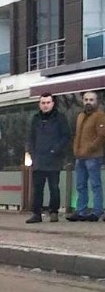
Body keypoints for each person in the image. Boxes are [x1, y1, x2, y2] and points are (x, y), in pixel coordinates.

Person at [27, 93, 71, 224]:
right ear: (39, 104)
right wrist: (31, 153)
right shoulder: (35, 118)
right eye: (43, 103)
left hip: (54, 159)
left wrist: (55, 149)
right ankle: (36, 213)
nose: (45, 105)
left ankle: (54, 212)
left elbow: (66, 136)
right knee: (38, 188)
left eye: (47, 102)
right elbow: (31, 137)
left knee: (54, 187)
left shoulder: (60, 118)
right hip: (39, 159)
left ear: (52, 103)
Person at [68, 91, 105, 222]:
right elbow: (77, 134)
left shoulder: (100, 116)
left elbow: (101, 135)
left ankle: (97, 211)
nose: (88, 102)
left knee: (95, 185)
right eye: (86, 99)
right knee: (80, 185)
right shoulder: (80, 116)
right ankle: (81, 211)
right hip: (80, 156)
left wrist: (90, 148)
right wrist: (76, 149)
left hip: (94, 156)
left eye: (91, 100)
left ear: (96, 102)